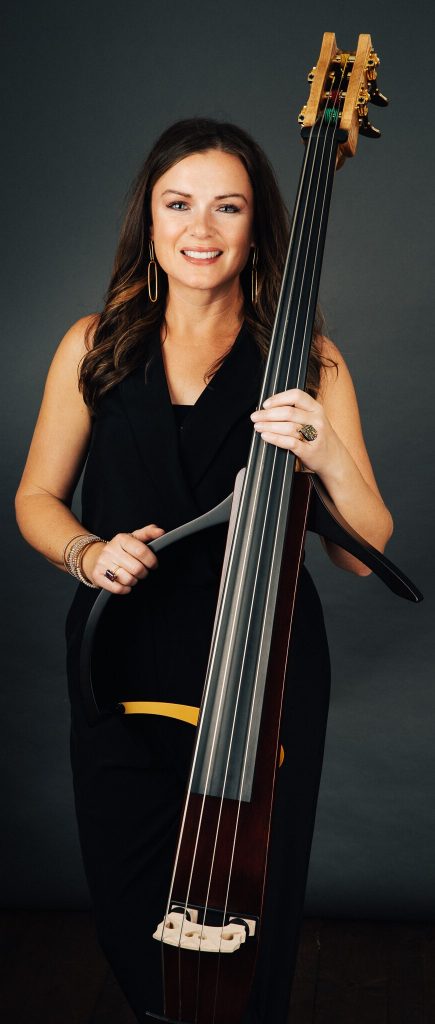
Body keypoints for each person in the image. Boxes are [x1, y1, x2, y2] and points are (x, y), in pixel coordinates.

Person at [15, 118, 393, 1023]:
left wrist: (325, 450)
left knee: (247, 917)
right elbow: (36, 499)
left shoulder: (308, 360)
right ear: (147, 220)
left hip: (265, 661)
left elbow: (360, 551)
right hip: (124, 657)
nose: (201, 227)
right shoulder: (92, 345)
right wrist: (88, 551)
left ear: (256, 226)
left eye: (227, 207)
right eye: (178, 204)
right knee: (132, 904)